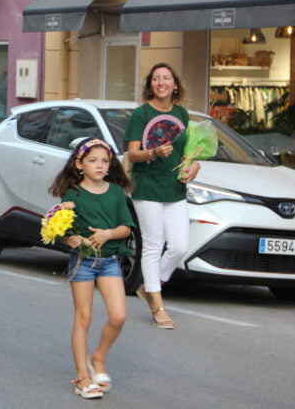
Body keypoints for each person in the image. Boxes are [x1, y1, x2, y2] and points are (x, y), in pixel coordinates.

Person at [49, 138, 134, 399]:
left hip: (109, 262)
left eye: (105, 161)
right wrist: (70, 238)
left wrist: (108, 234)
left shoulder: (117, 192)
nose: (100, 165)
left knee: (119, 316)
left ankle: (98, 357)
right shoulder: (73, 195)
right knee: (83, 319)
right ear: (79, 164)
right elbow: (62, 229)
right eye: (93, 160)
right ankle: (82, 378)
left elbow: (126, 227)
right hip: (82, 263)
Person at [123, 62, 201, 330]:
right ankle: (157, 305)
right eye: (156, 79)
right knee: (154, 244)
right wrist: (153, 153)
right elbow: (132, 154)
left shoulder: (182, 114)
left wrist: (195, 166)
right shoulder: (141, 114)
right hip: (147, 186)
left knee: (179, 247)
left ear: (175, 84)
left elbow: (190, 152)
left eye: (166, 78)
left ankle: (150, 287)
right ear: (151, 86)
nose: (161, 82)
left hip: (175, 188)